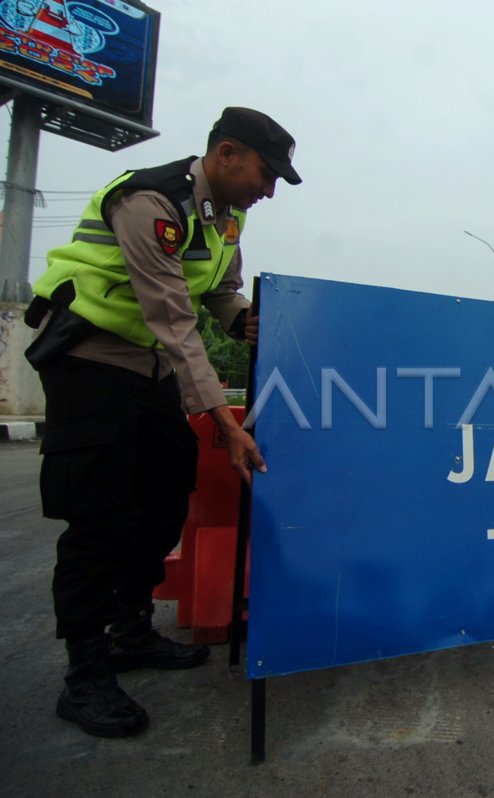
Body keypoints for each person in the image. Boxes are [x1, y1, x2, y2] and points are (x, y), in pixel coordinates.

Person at [25, 107, 300, 737]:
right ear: (226, 154)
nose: (269, 189)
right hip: (90, 358)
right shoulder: (150, 203)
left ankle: (130, 630)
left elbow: (218, 292)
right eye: (265, 173)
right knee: (98, 512)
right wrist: (227, 424)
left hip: (148, 369)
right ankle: (85, 673)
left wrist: (244, 319)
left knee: (165, 493)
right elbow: (174, 319)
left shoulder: (228, 218)